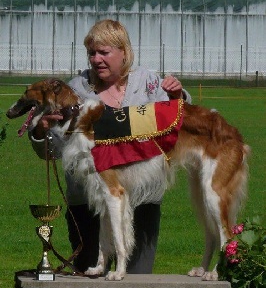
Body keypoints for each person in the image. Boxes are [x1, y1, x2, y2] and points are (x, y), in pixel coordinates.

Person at [29, 19, 192, 274]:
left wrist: (176, 96)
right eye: (92, 53)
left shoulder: (148, 83)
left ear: (124, 52)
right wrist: (42, 129)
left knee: (137, 281)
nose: (96, 59)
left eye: (104, 52)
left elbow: (177, 118)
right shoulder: (75, 90)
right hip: (87, 203)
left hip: (142, 199)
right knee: (90, 282)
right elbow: (52, 151)